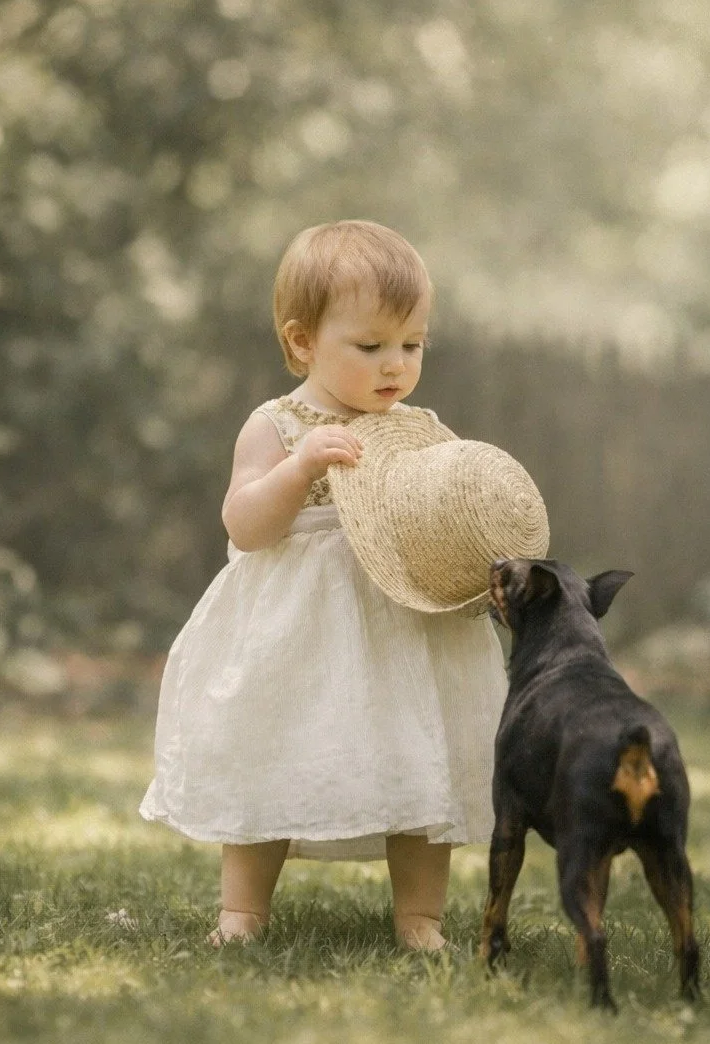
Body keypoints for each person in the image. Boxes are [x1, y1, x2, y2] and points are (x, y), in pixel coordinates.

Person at [139, 220, 510, 951]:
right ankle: (242, 913)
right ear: (303, 341)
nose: (394, 365)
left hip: (404, 629)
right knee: (269, 756)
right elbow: (245, 526)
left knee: (420, 757)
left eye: (412, 344)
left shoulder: (421, 431)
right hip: (298, 635)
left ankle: (420, 918)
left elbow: (445, 521)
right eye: (369, 346)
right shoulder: (277, 426)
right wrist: (300, 466)